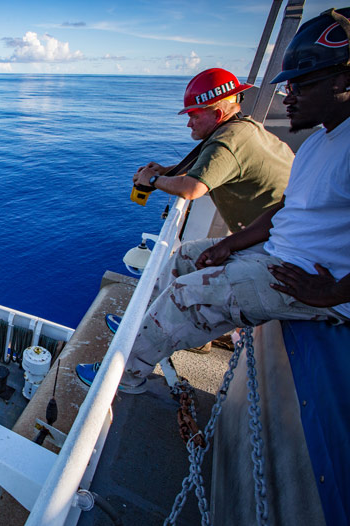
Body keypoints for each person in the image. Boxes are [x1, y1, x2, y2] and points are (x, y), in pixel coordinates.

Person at [79, 8, 350, 394]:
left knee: (183, 294)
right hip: (278, 248)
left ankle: (124, 377)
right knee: (184, 257)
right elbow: (285, 208)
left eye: (301, 86)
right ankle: (146, 327)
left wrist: (336, 293)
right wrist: (228, 244)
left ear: (344, 79)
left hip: (309, 274)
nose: (287, 98)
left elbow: (192, 189)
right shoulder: (320, 141)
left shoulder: (240, 137)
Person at [134, 68, 294, 234]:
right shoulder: (244, 127)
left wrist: (153, 180)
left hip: (275, 238)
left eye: (194, 116)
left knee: (184, 257)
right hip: (283, 227)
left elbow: (192, 189)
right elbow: (215, 164)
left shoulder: (226, 141)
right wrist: (167, 171)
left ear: (218, 114)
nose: (189, 124)